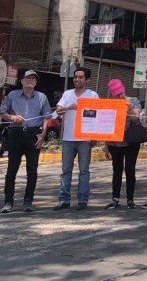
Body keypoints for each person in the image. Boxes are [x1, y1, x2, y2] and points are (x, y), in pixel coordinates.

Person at [0, 70, 51, 213]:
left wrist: (42, 134)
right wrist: (12, 118)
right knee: (11, 170)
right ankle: (8, 202)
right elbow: (2, 113)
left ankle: (28, 201)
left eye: (33, 78)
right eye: (28, 78)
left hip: (33, 134)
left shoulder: (41, 97)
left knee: (32, 170)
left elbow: (46, 117)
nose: (31, 80)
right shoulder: (12, 95)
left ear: (36, 82)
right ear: (21, 81)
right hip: (15, 133)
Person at [55, 66, 99, 210]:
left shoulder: (93, 95)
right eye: (75, 77)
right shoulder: (67, 94)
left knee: (84, 171)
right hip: (68, 138)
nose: (77, 79)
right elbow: (58, 111)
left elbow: (98, 117)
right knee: (66, 170)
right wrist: (69, 108)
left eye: (80, 77)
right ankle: (64, 200)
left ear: (87, 80)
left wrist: (95, 137)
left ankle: (82, 200)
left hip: (85, 139)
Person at [104, 79, 142, 209]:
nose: (119, 96)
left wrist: (130, 109)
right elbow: (105, 124)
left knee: (130, 169)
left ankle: (130, 199)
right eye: (116, 94)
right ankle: (115, 198)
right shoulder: (110, 103)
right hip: (114, 143)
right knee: (117, 170)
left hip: (131, 142)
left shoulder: (133, 100)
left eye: (121, 92)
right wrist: (106, 146)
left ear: (124, 89)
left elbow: (136, 120)